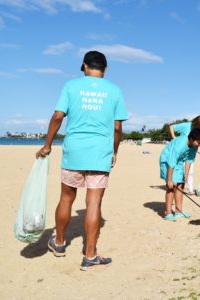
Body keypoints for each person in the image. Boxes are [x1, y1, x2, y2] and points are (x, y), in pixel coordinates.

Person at [36, 51, 128, 271]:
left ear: (84, 66)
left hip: (74, 153)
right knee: (94, 203)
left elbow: (58, 116)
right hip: (100, 154)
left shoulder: (71, 86)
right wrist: (114, 151)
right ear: (105, 69)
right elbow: (117, 128)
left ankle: (58, 243)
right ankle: (90, 256)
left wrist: (48, 145)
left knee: (66, 198)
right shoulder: (114, 90)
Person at [160, 128, 200, 221]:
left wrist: (186, 175)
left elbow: (189, 160)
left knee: (181, 185)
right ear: (192, 139)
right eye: (199, 142)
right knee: (171, 186)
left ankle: (178, 212)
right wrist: (169, 179)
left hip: (179, 161)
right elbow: (171, 161)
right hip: (167, 160)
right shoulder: (180, 144)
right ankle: (168, 212)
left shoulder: (195, 147)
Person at [169, 116, 200, 194]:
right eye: (198, 126)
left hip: (191, 154)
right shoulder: (186, 125)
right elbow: (171, 127)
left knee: (190, 172)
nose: (199, 128)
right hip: (181, 153)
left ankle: (190, 189)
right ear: (194, 123)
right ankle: (176, 186)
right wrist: (174, 137)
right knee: (178, 171)